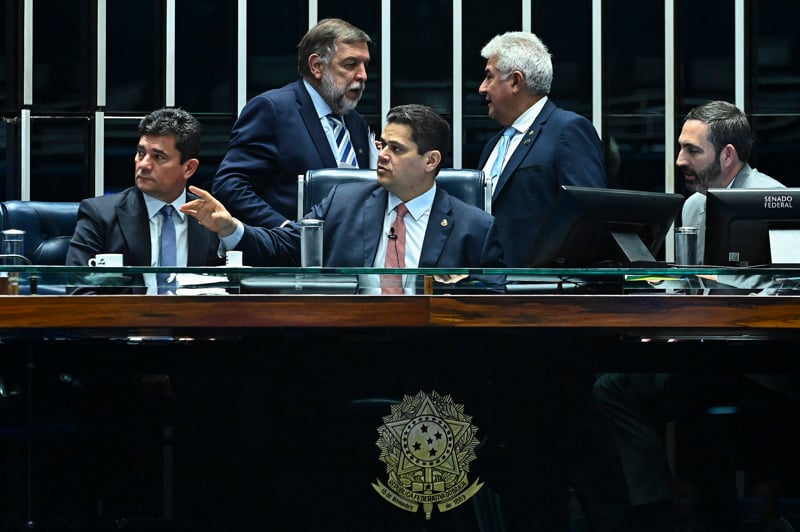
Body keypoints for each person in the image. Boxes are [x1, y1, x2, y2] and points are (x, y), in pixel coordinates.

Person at [594, 101, 793, 531]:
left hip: (762, 361)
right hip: (701, 351)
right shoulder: (691, 208)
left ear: (727, 155)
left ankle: (718, 515)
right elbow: (680, 284)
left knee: (694, 387)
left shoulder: (773, 200)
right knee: (612, 385)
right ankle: (655, 509)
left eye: (692, 150)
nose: (680, 160)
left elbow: (787, 291)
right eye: (680, 149)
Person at [183, 104, 504, 278]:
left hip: (435, 350)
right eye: (382, 145)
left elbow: (493, 305)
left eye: (397, 148)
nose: (382, 155)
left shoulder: (474, 227)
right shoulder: (343, 202)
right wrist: (231, 228)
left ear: (431, 160)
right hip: (348, 345)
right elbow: (286, 247)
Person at [211, 18, 373, 228]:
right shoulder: (273, 109)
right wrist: (286, 229)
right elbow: (231, 186)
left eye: (365, 65)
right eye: (351, 64)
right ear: (316, 66)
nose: (363, 75)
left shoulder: (356, 123)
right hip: (289, 255)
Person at [476, 30, 607, 268]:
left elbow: (588, 221)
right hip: (488, 288)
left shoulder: (568, 129)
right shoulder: (492, 144)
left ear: (516, 81)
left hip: (541, 291)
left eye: (489, 77)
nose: (482, 88)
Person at [67, 107, 222, 293]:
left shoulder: (210, 219)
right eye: (141, 153)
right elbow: (80, 293)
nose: (144, 165)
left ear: (188, 168)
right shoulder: (100, 215)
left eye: (158, 157)